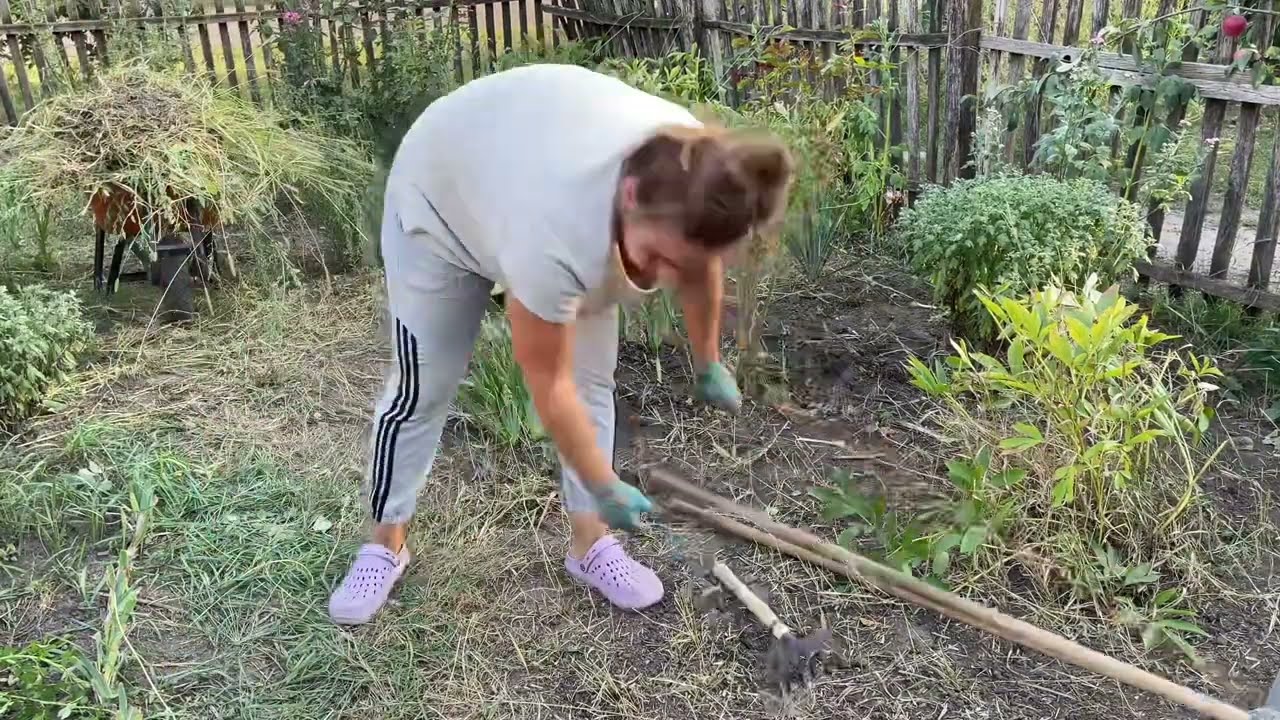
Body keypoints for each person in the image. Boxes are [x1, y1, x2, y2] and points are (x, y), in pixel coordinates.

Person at [328, 63, 794, 625]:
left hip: (525, 170)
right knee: (424, 386)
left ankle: (590, 546)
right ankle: (385, 545)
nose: (660, 279)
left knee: (595, 380)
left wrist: (708, 360)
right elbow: (549, 383)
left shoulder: (701, 175)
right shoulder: (555, 233)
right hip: (442, 201)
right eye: (657, 257)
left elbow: (700, 262)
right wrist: (604, 482)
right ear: (629, 196)